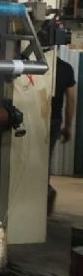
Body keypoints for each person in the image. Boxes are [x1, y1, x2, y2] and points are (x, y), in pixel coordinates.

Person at [49, 55, 77, 214]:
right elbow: (71, 100)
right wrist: (67, 127)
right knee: (46, 160)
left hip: (32, 117)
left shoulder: (34, 64)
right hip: (54, 120)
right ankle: (45, 193)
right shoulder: (66, 68)